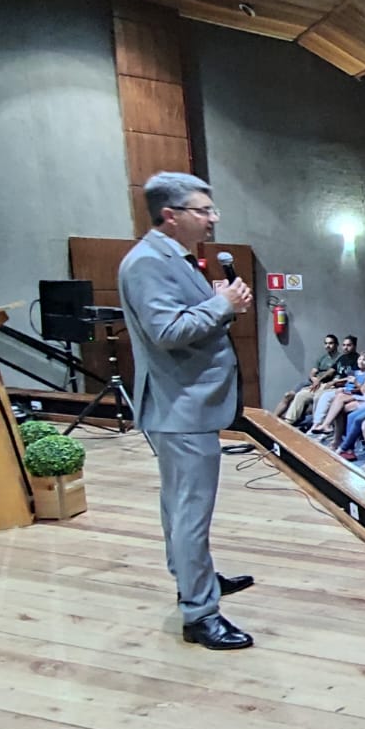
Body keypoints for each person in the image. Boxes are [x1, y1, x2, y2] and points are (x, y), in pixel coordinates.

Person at [116, 173, 255, 651]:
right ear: (170, 215)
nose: (213, 218)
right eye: (203, 210)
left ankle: (194, 578)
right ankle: (200, 614)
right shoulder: (147, 263)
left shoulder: (173, 256)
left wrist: (222, 304)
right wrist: (222, 304)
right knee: (190, 512)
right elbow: (167, 332)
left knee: (180, 507)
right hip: (180, 406)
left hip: (187, 404)